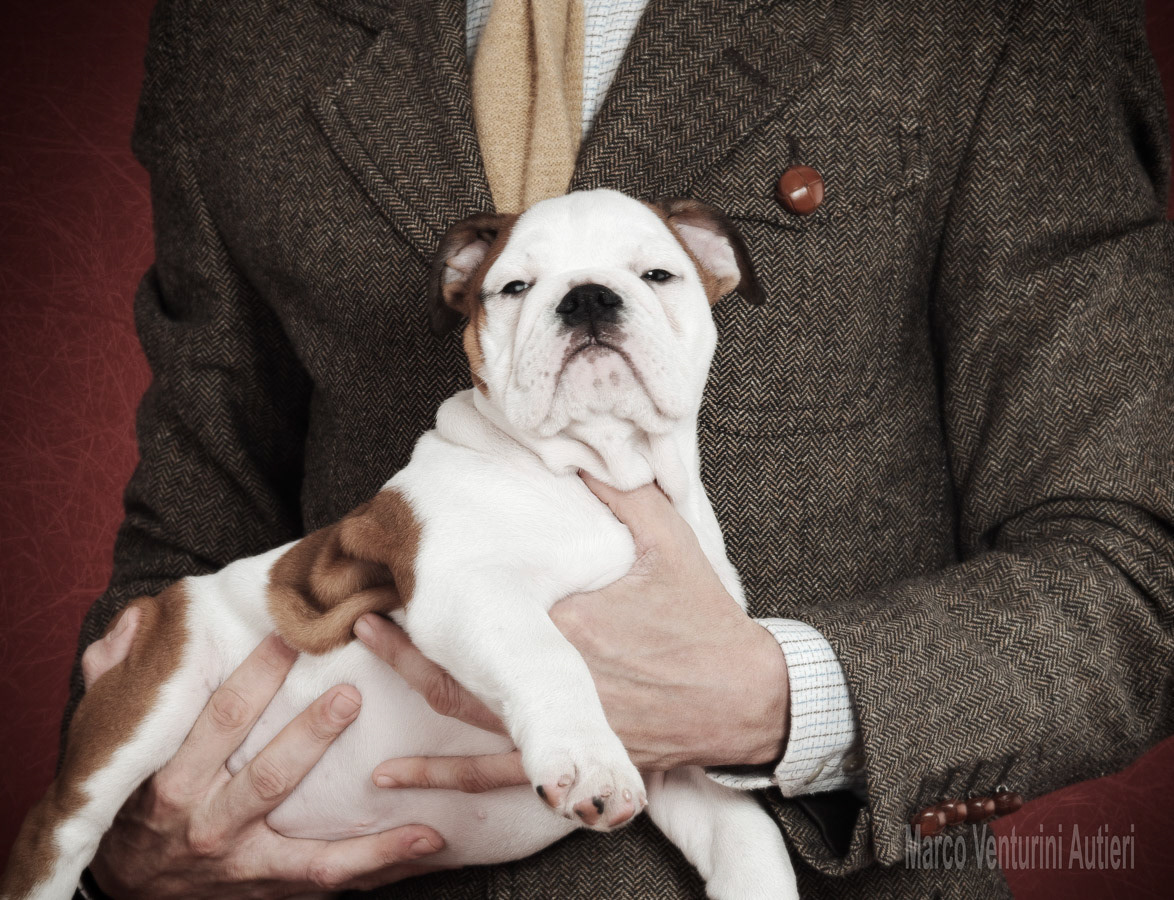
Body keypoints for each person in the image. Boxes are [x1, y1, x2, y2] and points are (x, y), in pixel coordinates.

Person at [60, 0, 1173, 897]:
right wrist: (127, 833)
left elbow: (1135, 568)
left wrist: (779, 697)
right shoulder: (231, 28)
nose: (587, 309)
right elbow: (192, 539)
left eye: (642, 278)